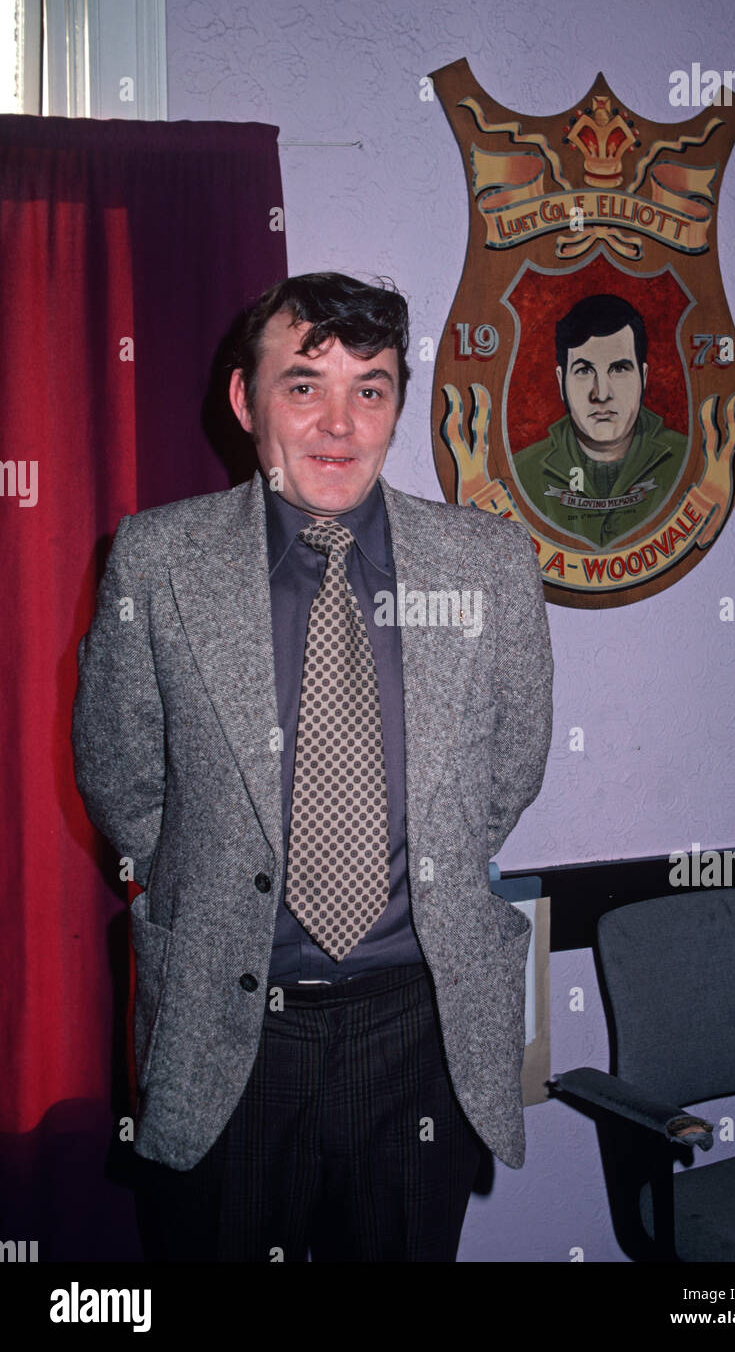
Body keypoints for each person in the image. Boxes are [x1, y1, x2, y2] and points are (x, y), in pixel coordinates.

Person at [72, 271, 554, 1263]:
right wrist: (214, 874)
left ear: (395, 407)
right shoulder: (158, 561)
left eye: (369, 388)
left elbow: (508, 771)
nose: (339, 424)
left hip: (418, 1030)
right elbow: (121, 773)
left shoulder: (489, 565)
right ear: (247, 401)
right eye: (304, 385)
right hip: (229, 1029)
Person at [512, 293, 686, 546]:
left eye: (619, 369)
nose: (601, 394)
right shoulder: (520, 475)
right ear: (561, 381)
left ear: (643, 377)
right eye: (584, 371)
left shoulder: (688, 462)